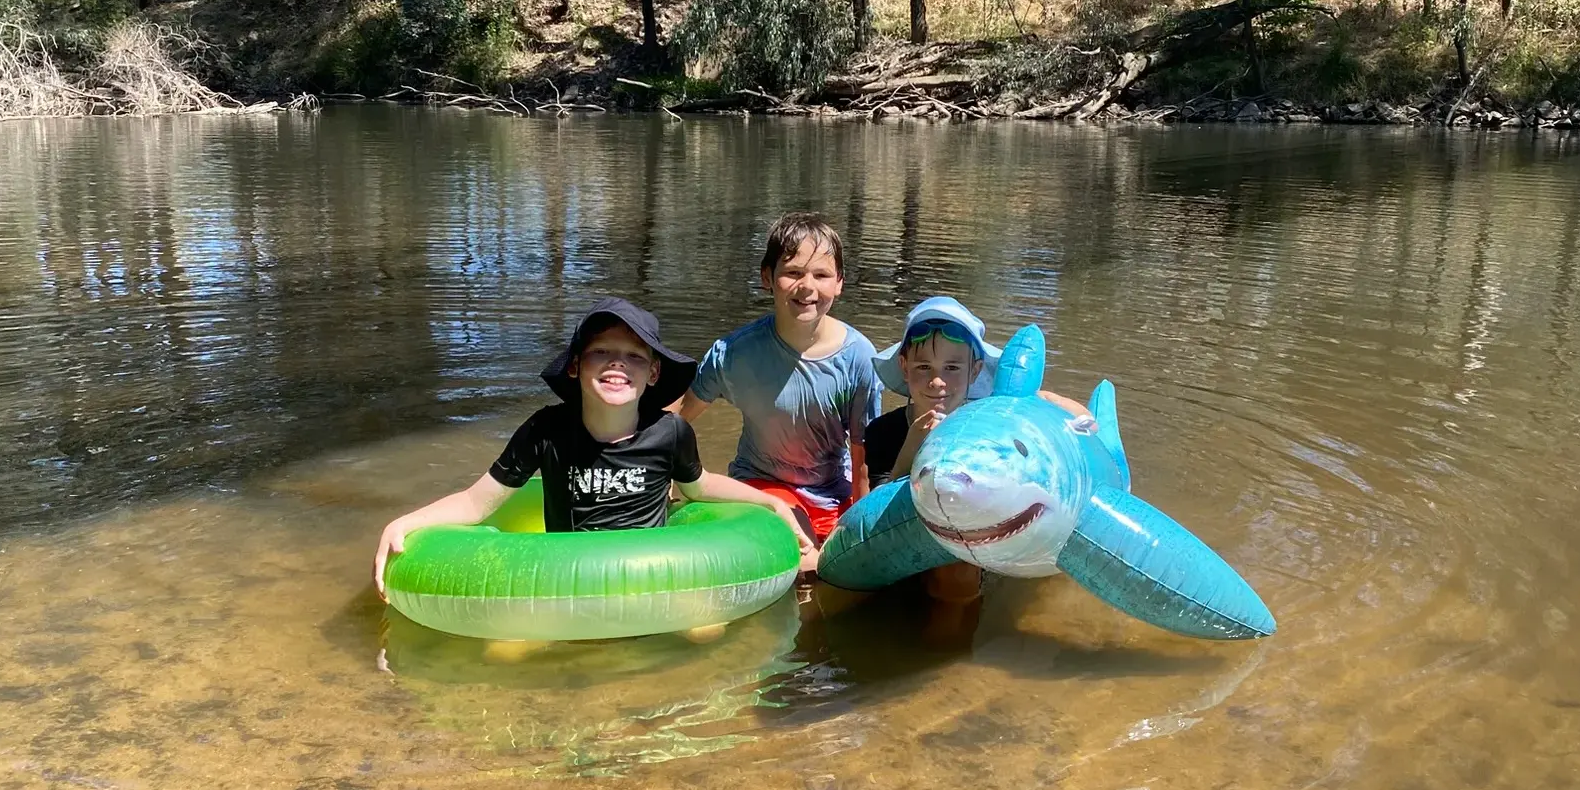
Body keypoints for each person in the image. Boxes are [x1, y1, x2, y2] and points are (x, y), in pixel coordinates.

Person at [372, 296, 814, 601]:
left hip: (654, 577)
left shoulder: (670, 432)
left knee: (705, 634)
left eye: (634, 356)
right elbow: (476, 502)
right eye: (601, 352)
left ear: (654, 373)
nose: (618, 364)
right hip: (566, 581)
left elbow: (699, 487)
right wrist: (407, 522)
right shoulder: (545, 430)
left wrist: (772, 505)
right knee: (508, 651)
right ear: (576, 366)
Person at [675, 213, 883, 560]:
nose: (807, 287)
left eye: (821, 275)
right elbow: (677, 418)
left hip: (832, 488)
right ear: (767, 278)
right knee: (796, 550)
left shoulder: (859, 357)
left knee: (834, 564)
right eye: (793, 273)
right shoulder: (735, 354)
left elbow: (863, 456)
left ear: (840, 283)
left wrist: (858, 531)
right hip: (762, 483)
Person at [866, 297, 1090, 603]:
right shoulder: (882, 432)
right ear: (904, 368)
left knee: (957, 573)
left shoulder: (984, 426)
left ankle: (954, 633)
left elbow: (1079, 421)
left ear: (975, 370)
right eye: (923, 367)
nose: (937, 381)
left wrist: (1044, 400)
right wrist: (912, 444)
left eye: (952, 367)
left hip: (970, 549)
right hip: (908, 545)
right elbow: (876, 512)